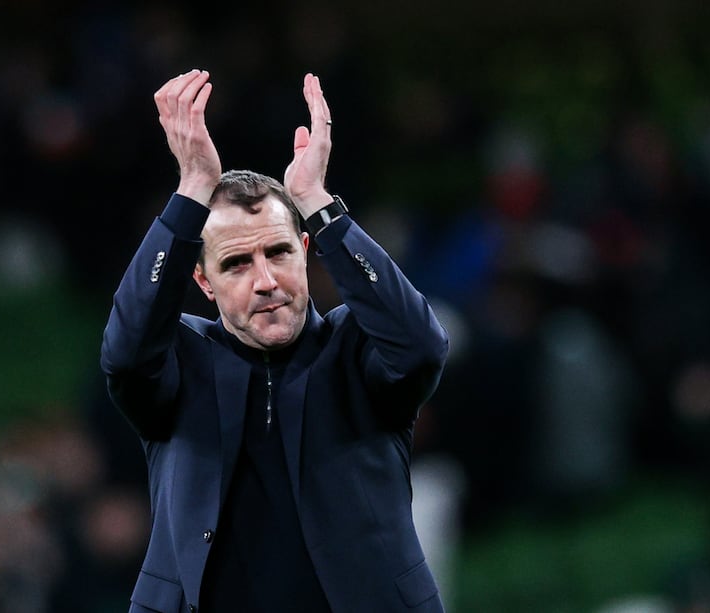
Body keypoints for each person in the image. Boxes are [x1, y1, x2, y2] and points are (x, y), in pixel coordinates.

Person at [100, 69, 449, 613]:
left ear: (306, 249)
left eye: (279, 253)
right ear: (203, 281)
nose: (265, 280)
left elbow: (423, 347)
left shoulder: (355, 347)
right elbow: (124, 353)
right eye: (237, 263)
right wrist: (191, 190)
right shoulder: (181, 361)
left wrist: (318, 201)